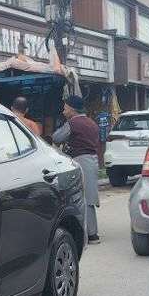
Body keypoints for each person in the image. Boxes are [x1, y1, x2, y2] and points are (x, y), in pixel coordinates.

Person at [53, 95, 101, 244]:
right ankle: (90, 232)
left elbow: (57, 137)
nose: (63, 110)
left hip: (81, 161)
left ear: (72, 109)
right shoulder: (91, 122)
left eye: (65, 107)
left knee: (85, 197)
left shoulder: (73, 123)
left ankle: (92, 234)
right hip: (92, 160)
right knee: (89, 195)